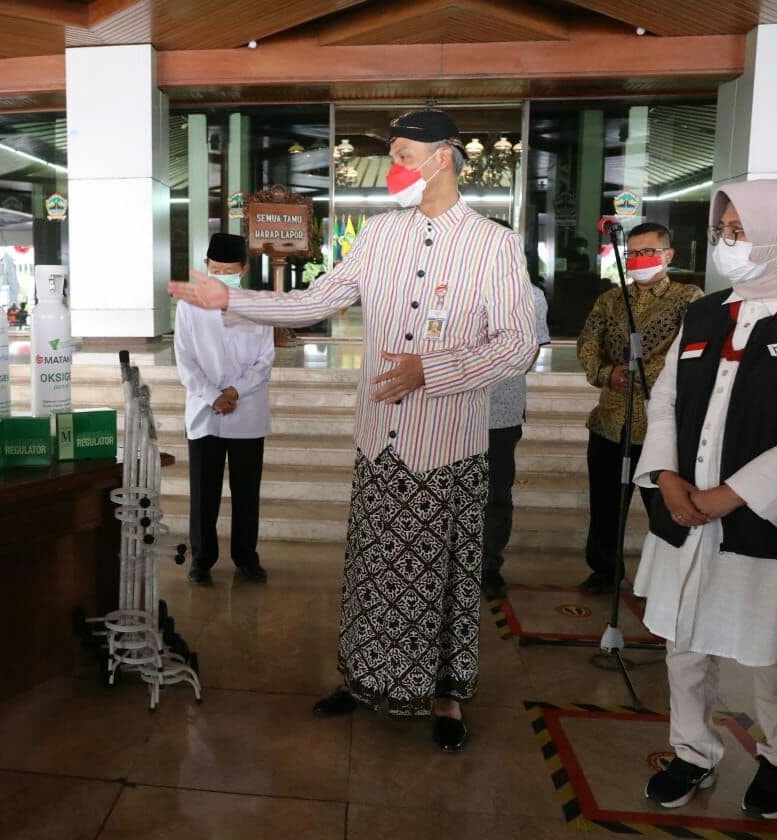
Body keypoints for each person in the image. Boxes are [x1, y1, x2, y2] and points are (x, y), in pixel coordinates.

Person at [169, 109, 538, 752]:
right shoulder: (376, 237)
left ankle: (445, 694)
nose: (393, 166)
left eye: (402, 153)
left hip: (447, 443)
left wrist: (434, 369)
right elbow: (314, 301)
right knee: (373, 569)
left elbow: (519, 344)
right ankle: (364, 678)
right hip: (380, 440)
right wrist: (232, 300)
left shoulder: (493, 244)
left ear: (441, 158)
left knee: (441, 575)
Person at [633, 180, 777, 820]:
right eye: (723, 232)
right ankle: (691, 749)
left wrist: (731, 494)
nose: (727, 244)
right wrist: (666, 475)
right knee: (684, 640)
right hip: (686, 508)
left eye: (739, 231)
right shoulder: (708, 312)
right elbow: (667, 399)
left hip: (772, 514)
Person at [575, 223, 702, 594]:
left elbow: (690, 351)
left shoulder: (688, 297)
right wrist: (604, 372)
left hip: (660, 423)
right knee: (605, 503)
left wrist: (643, 374)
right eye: (632, 253)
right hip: (610, 420)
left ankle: (668, 579)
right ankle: (604, 570)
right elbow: (587, 342)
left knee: (662, 505)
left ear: (668, 255)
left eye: (648, 252)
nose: (639, 259)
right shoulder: (611, 299)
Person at [175, 233, 274, 585]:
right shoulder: (188, 304)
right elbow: (185, 359)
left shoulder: (257, 305)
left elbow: (265, 361)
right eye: (215, 269)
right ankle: (202, 559)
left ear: (244, 270)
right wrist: (211, 395)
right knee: (204, 492)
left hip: (247, 411)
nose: (221, 276)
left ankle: (246, 557)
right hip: (205, 412)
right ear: (206, 267)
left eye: (229, 271)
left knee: (247, 492)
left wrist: (234, 391)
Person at [482, 222, 551, 600]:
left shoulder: (531, 296)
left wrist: (482, 365)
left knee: (495, 492)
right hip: (448, 410)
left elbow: (530, 353)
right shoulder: (450, 289)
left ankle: (488, 565)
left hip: (501, 411)